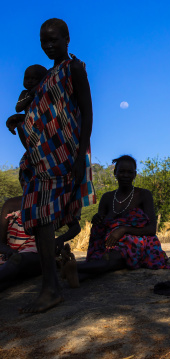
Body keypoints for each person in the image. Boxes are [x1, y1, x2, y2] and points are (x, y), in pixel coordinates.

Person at [6, 18, 95, 313]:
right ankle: (51, 283)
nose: (49, 45)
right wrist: (19, 120)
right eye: (44, 41)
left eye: (54, 40)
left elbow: (86, 114)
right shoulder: (45, 78)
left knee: (43, 217)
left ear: (68, 38)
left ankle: (51, 288)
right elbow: (40, 114)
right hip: (39, 157)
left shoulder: (74, 70)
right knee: (36, 217)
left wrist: (82, 157)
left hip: (63, 156)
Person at [62, 155, 169, 288]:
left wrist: (123, 230)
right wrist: (97, 219)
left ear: (135, 175)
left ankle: (72, 268)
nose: (125, 175)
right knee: (109, 259)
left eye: (130, 172)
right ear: (115, 173)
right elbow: (101, 225)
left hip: (137, 242)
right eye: (122, 171)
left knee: (117, 256)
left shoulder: (143, 195)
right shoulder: (107, 198)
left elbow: (152, 229)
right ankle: (78, 275)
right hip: (109, 242)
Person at [0, 197, 80, 292]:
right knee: (13, 272)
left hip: (38, 254)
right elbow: (1, 242)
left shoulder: (50, 202)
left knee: (18, 260)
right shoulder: (10, 204)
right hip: (11, 256)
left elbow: (75, 227)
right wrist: (9, 251)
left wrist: (60, 239)